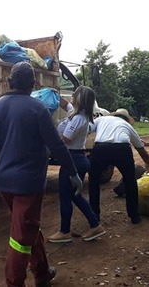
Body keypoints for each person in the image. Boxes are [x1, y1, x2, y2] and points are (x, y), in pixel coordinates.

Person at [0, 62, 81, 287]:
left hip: (4, 182)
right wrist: (73, 172)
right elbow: (57, 145)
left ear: (9, 82)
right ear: (33, 84)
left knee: (27, 226)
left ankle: (42, 273)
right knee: (20, 239)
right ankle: (15, 283)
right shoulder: (37, 109)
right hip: (29, 184)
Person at [47, 86, 106, 244]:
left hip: (73, 159)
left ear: (81, 99)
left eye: (76, 93)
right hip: (76, 158)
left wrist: (48, 131)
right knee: (74, 195)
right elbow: (65, 104)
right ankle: (94, 225)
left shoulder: (79, 118)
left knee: (67, 196)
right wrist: (51, 94)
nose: (72, 95)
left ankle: (65, 231)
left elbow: (65, 140)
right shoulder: (77, 112)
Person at [88, 108, 149, 224]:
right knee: (130, 182)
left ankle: (94, 216)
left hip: (101, 147)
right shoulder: (128, 127)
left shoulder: (101, 119)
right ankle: (134, 216)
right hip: (122, 148)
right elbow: (143, 153)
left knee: (93, 182)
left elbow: (86, 130)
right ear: (126, 119)